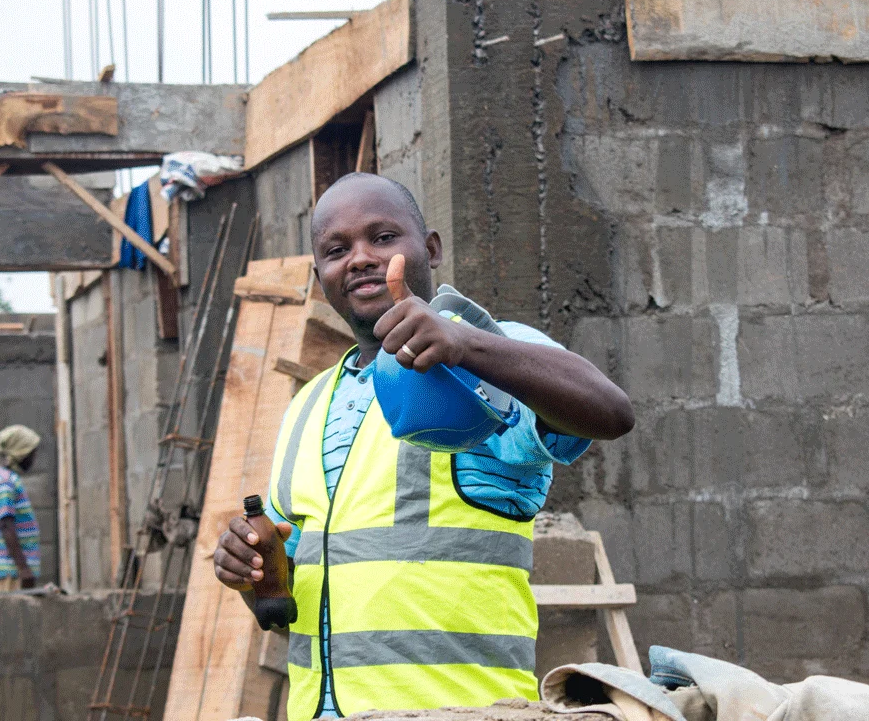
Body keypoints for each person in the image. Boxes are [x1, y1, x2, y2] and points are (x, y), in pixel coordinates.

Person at [213, 173, 635, 718]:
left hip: (465, 712)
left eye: (383, 237)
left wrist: (465, 344)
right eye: (337, 250)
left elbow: (612, 412)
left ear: (431, 249)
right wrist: (247, 569)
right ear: (319, 277)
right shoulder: (308, 403)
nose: (361, 258)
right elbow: (284, 600)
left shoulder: (485, 355)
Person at [0, 424, 42, 592]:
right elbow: (6, 525)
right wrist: (23, 568)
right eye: (31, 453)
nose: (33, 458)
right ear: (19, 453)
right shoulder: (5, 482)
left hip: (11, 570)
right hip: (10, 573)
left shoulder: (5, 477)